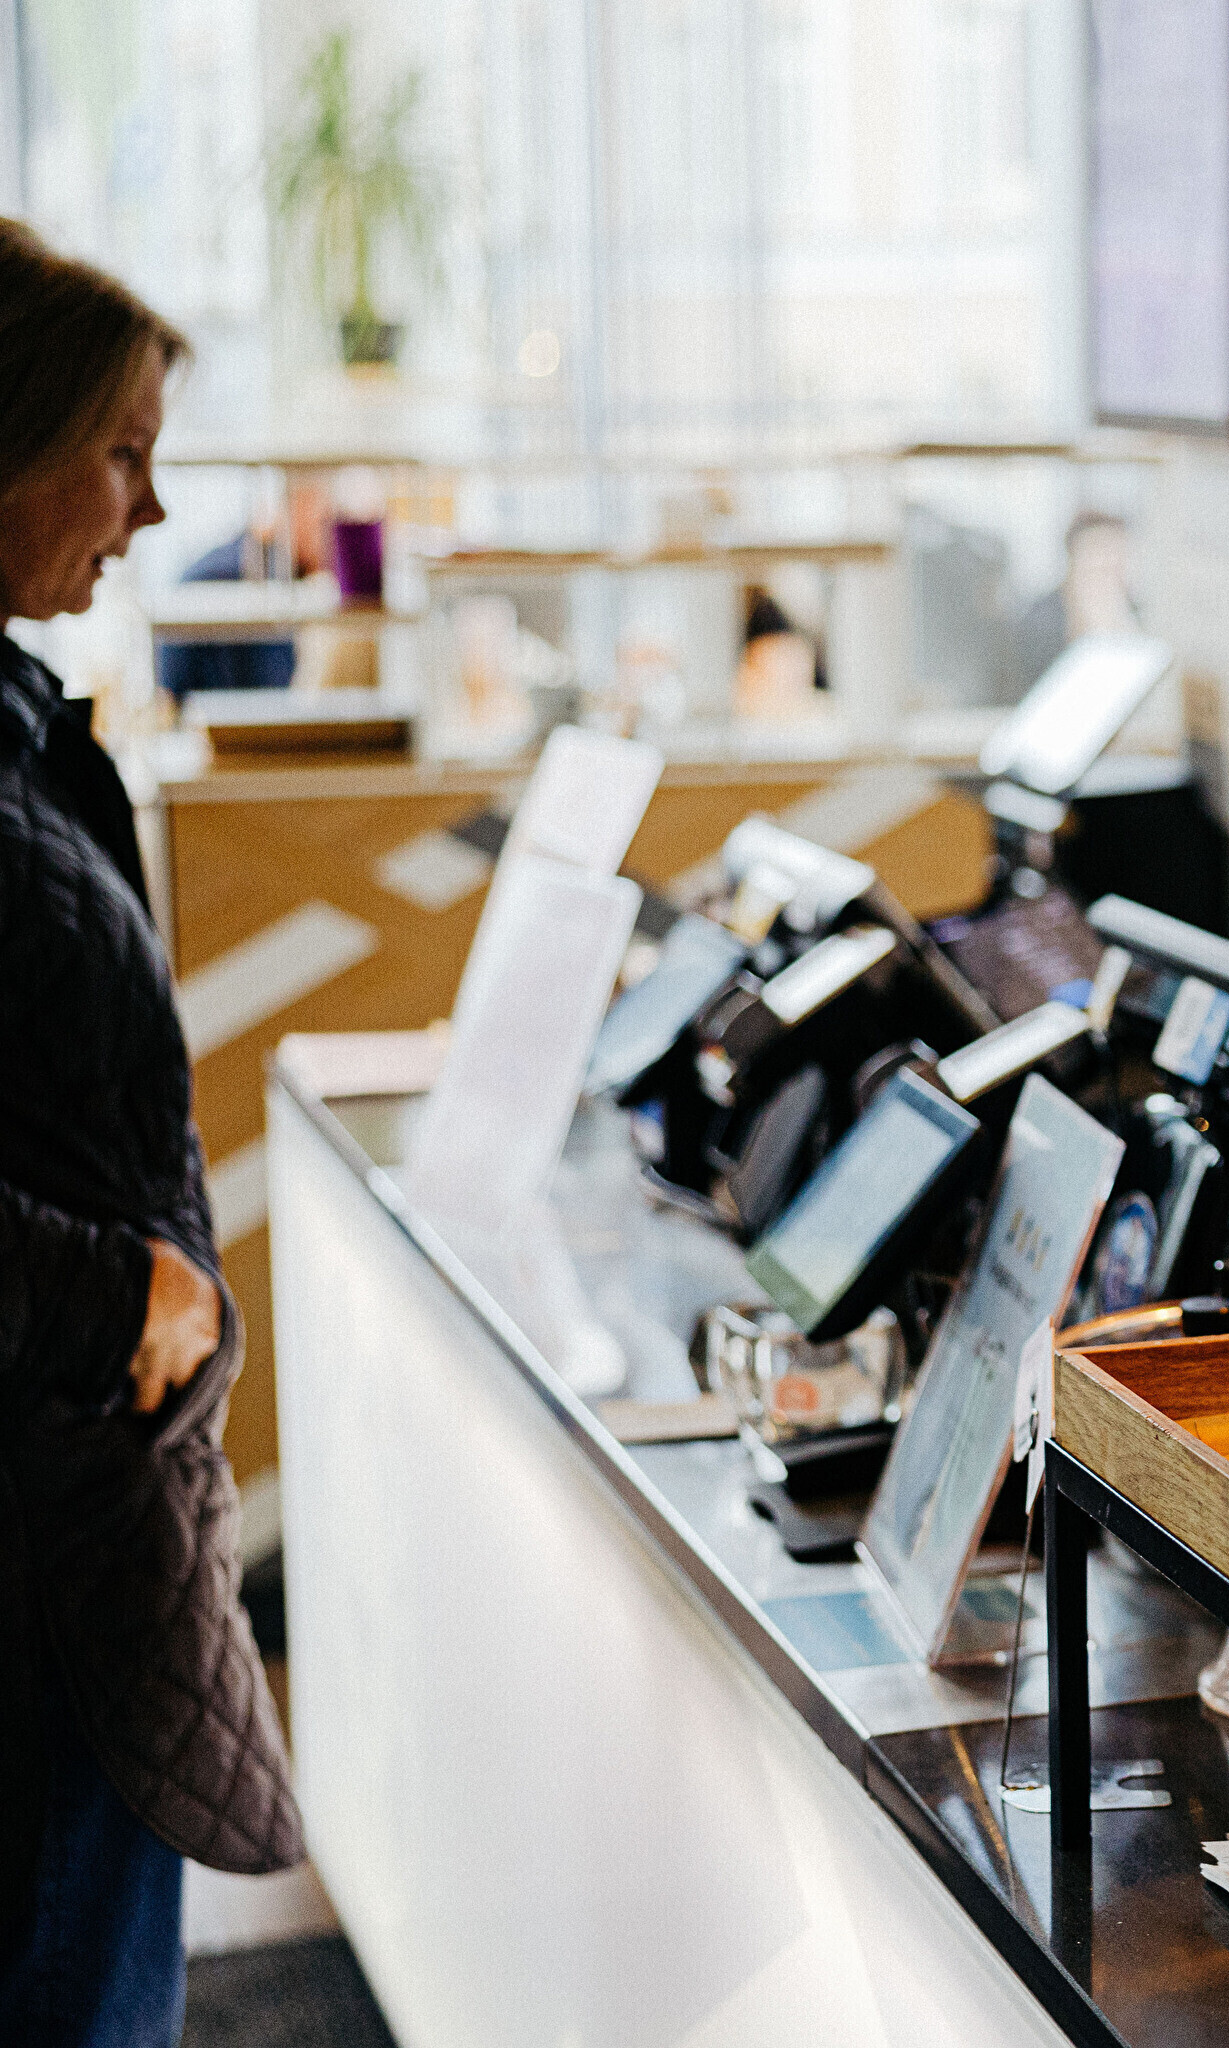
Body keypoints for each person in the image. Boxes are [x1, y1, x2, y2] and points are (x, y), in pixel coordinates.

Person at [0, 221, 301, 2045]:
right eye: (121, 452)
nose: (152, 506)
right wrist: (125, 1296)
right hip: (39, 1561)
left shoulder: (18, 725)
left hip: (82, 1534)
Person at [152, 479, 326, 700]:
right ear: (297, 512)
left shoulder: (280, 581)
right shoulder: (228, 579)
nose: (328, 542)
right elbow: (171, 693)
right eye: (321, 524)